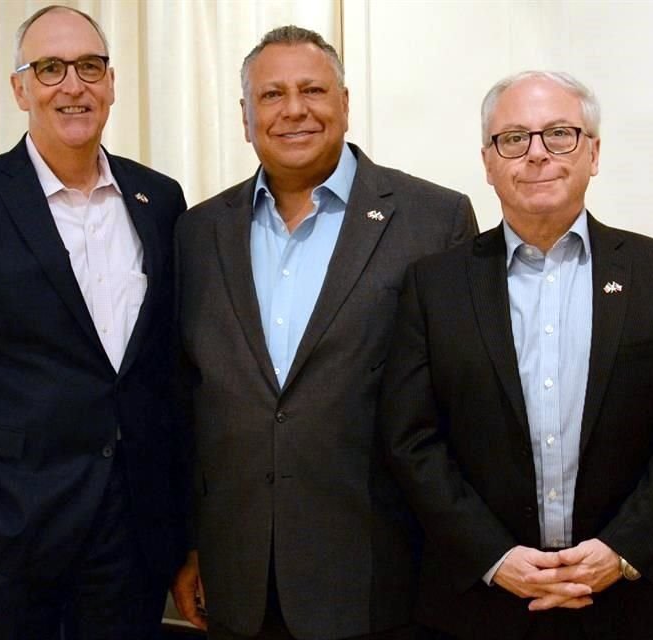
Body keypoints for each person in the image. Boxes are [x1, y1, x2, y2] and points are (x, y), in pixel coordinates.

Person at [379, 70, 653, 640]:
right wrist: (493, 556)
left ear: (593, 153)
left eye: (559, 134)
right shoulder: (432, 286)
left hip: (634, 601)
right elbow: (411, 439)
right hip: (481, 603)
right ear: (489, 163)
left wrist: (620, 550)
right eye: (513, 138)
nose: (536, 154)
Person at [0, 5, 186, 638]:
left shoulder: (160, 199)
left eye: (89, 67)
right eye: (50, 68)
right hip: (5, 540)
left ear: (111, 82)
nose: (73, 85)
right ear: (20, 87)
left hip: (130, 538)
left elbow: (163, 372)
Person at [171, 25, 477, 640]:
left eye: (312, 89)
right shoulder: (199, 232)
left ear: (344, 102)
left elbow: (466, 406)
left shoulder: (433, 221)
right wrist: (189, 544)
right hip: (240, 578)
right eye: (271, 95)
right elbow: (185, 403)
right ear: (245, 116)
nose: (293, 110)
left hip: (383, 578)